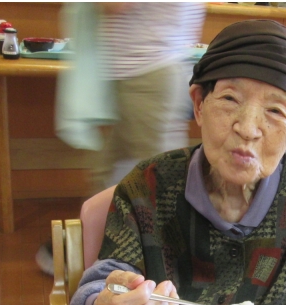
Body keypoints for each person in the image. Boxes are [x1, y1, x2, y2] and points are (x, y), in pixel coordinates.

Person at [67, 19, 286, 305]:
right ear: (199, 104)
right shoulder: (146, 187)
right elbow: (97, 293)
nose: (248, 129)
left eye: (275, 111)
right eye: (230, 99)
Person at [36, 2, 205, 275]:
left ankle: (168, 265)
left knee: (154, 180)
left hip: (147, 76)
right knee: (113, 172)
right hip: (140, 75)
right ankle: (88, 248)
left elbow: (115, 4)